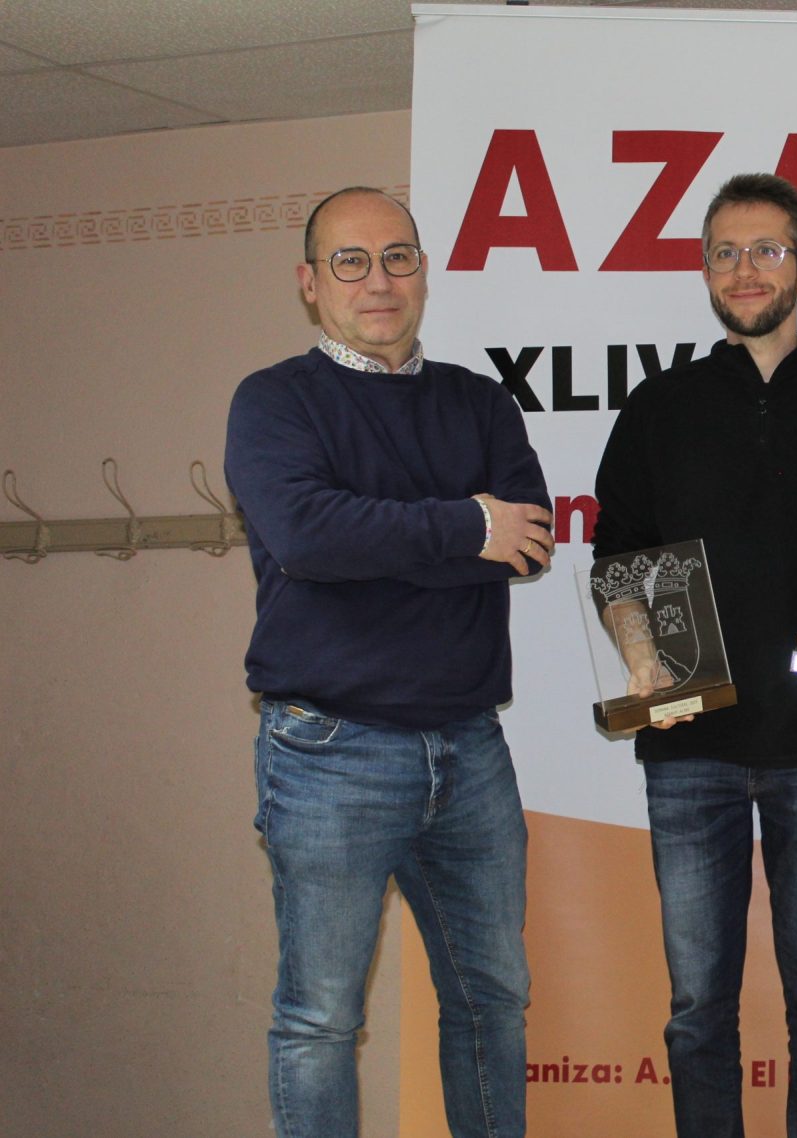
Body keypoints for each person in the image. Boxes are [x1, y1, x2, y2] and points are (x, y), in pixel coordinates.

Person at [590, 172, 797, 1138]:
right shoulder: (659, 407)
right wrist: (638, 647)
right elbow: (616, 553)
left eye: (767, 250)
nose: (745, 270)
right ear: (704, 272)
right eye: (724, 253)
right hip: (688, 742)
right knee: (697, 1011)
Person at [226, 186, 554, 1138]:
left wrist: (390, 541)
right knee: (322, 1018)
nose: (380, 281)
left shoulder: (479, 401)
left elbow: (526, 542)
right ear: (309, 284)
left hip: (470, 749)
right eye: (352, 262)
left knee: (493, 998)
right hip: (328, 750)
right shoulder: (274, 400)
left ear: (423, 271)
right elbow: (308, 539)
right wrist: (462, 528)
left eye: (399, 257)